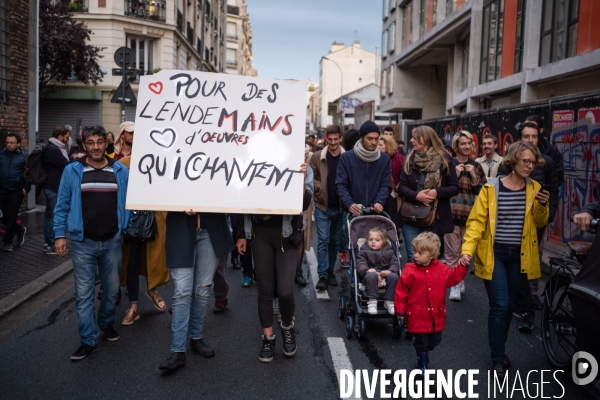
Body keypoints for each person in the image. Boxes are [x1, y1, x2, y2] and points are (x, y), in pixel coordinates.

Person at [460, 141, 549, 378]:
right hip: (495, 254)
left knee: (510, 305)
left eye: (533, 162)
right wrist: (467, 251)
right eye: (525, 161)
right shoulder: (491, 188)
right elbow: (476, 223)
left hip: (519, 256)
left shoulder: (535, 188)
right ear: (513, 161)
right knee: (499, 305)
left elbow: (540, 223)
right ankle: (498, 357)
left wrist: (542, 205)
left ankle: (499, 347)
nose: (530, 166)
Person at [53, 126, 130, 360]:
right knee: (84, 293)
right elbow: (62, 204)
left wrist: (123, 229)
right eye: (90, 142)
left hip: (113, 242)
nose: (96, 146)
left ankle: (106, 322)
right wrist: (59, 235)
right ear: (83, 145)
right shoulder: (72, 171)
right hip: (82, 242)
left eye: (99, 142)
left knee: (112, 290)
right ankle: (88, 340)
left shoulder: (120, 170)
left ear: (106, 143)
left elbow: (129, 202)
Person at [236, 163, 312, 363]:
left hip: (287, 234)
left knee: (286, 291)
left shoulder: (300, 164)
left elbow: (303, 204)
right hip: (258, 233)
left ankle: (287, 327)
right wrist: (241, 234)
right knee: (265, 290)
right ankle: (268, 338)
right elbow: (239, 195)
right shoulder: (249, 159)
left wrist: (301, 179)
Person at [498, 122, 558, 329]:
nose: (531, 140)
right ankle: (523, 305)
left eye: (534, 136)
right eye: (526, 136)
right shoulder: (506, 166)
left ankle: (527, 307)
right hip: (511, 227)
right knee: (517, 266)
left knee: (528, 264)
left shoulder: (547, 162)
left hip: (536, 222)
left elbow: (554, 192)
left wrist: (547, 213)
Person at [395, 232, 469, 375]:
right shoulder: (409, 270)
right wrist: (399, 311)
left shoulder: (442, 270)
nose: (415, 255)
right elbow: (401, 292)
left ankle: (424, 356)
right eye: (415, 251)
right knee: (421, 342)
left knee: (435, 341)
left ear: (432, 254)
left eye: (420, 253)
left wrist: (462, 267)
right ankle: (422, 365)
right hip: (417, 314)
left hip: (436, 314)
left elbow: (453, 279)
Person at [116, 156, 170, 326]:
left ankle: (152, 289)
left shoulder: (163, 160)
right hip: (130, 220)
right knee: (131, 262)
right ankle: (134, 306)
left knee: (153, 259)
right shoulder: (123, 164)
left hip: (155, 218)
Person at [398, 126, 459, 262]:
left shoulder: (445, 160)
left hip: (435, 219)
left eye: (415, 137)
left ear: (425, 139)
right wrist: (416, 196)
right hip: (411, 217)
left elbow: (454, 188)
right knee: (413, 258)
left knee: (431, 260)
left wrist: (436, 192)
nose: (411, 140)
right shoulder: (409, 159)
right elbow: (401, 187)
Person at [445, 131, 486, 301]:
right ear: (456, 146)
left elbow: (483, 191)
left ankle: (460, 279)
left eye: (469, 143)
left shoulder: (476, 166)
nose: (467, 146)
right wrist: (452, 173)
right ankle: (454, 285)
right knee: (452, 252)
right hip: (450, 213)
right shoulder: (448, 164)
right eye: (463, 143)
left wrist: (474, 176)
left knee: (465, 252)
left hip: (470, 216)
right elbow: (439, 186)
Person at [310, 124, 345, 291]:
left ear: (340, 138)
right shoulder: (317, 156)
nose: (332, 142)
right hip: (322, 204)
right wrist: (319, 187)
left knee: (335, 240)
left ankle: (330, 271)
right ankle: (322, 274)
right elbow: (311, 176)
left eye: (335, 139)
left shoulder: (347, 157)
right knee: (323, 240)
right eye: (329, 139)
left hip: (340, 206)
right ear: (326, 139)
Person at [336, 120, 391, 219]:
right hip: (352, 212)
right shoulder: (346, 158)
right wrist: (350, 204)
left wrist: (379, 202)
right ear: (361, 138)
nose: (373, 142)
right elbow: (340, 184)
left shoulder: (384, 159)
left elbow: (385, 185)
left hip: (375, 212)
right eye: (369, 139)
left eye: (376, 139)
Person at [41, 126, 71, 254]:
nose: (68, 138)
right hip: (53, 186)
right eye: (67, 136)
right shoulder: (53, 150)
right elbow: (65, 165)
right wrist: (77, 159)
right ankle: (52, 244)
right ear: (60, 136)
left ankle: (48, 242)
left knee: (49, 214)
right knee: (55, 214)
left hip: (49, 185)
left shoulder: (51, 147)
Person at [357, 228, 400, 315]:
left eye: (377, 240)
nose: (373, 242)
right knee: (371, 276)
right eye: (370, 240)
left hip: (385, 275)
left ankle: (389, 301)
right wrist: (367, 270)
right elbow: (360, 264)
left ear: (383, 242)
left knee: (394, 276)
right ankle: (372, 301)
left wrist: (389, 271)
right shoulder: (363, 252)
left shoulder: (389, 252)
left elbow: (395, 264)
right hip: (369, 277)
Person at [0, 133, 29, 252]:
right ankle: (19, 230)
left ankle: (8, 243)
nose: (9, 145)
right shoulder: (1, 155)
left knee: (11, 217)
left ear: (18, 144)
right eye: (7, 142)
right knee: (2, 216)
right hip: (1, 190)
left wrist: (26, 189)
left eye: (12, 143)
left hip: (16, 191)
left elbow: (30, 174)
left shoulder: (24, 157)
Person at [338, 128, 360, 268]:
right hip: (346, 200)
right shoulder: (347, 157)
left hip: (356, 200)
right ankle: (343, 255)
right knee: (344, 232)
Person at [525, 115, 564, 187]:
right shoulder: (513, 152)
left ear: (540, 130)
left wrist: (546, 190)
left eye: (533, 126)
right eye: (526, 126)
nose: (530, 140)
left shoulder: (551, 151)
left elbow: (558, 176)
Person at [378, 135, 404, 225]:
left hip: (394, 195)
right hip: (381, 194)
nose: (378, 147)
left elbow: (404, 178)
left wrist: (396, 191)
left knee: (391, 222)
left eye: (380, 145)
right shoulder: (377, 158)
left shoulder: (399, 159)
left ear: (388, 145)